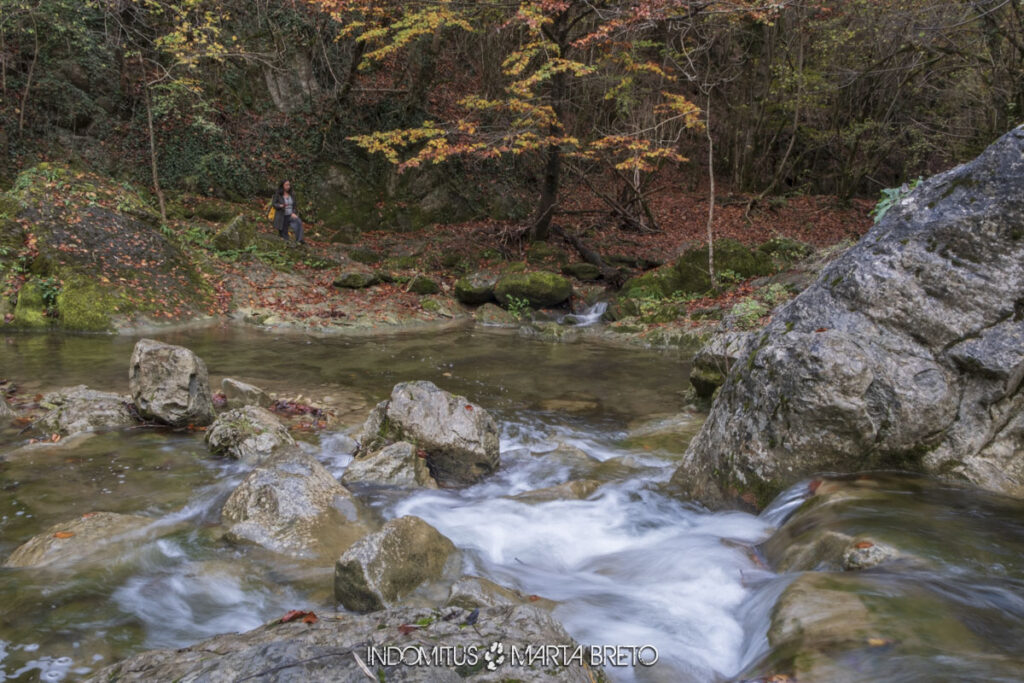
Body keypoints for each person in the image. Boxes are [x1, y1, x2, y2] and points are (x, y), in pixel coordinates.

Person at [271, 180, 305, 244]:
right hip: (282, 215)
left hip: (290, 214)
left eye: (289, 185)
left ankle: (300, 239)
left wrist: (293, 212)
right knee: (284, 233)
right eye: (286, 185)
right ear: (282, 186)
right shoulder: (278, 194)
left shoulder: (292, 194)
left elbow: (294, 205)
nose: (288, 186)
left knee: (298, 222)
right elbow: (274, 204)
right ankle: (284, 240)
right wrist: (280, 205)